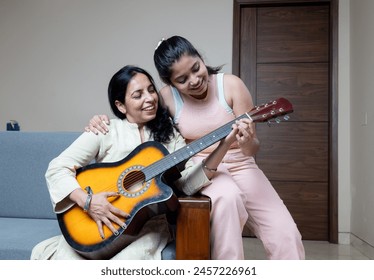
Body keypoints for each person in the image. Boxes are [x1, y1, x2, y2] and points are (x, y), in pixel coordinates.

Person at [86, 36, 305, 260]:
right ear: (170, 83)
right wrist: (99, 120)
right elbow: (140, 124)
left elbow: (251, 150)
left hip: (242, 165)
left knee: (285, 234)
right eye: (182, 79)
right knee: (228, 200)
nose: (194, 80)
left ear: (201, 58)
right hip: (202, 169)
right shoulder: (166, 99)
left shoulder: (231, 85)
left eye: (196, 68)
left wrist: (247, 139)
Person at [31, 65, 239, 260]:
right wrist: (88, 201)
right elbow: (57, 168)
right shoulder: (105, 130)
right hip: (94, 222)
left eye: (151, 90)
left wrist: (224, 145)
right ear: (121, 106)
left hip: (146, 230)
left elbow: (185, 184)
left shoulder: (171, 137)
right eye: (138, 95)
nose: (150, 98)